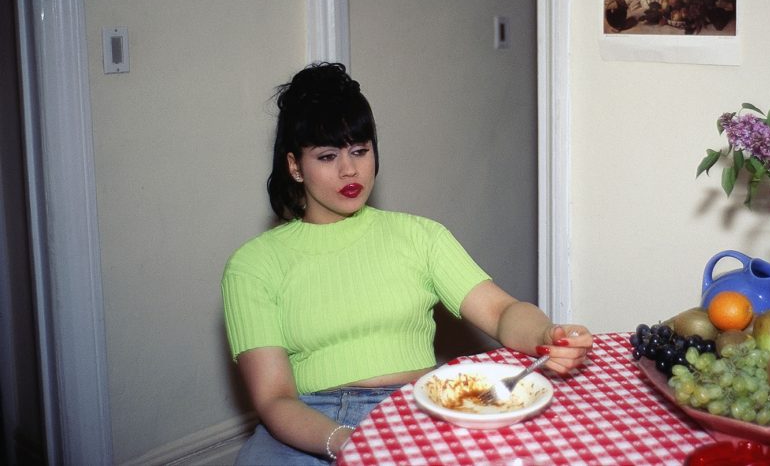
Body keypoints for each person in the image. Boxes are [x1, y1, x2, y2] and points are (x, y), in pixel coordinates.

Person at [221, 63, 593, 464]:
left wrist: (546, 333)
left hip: (414, 408)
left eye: (360, 151)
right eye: (327, 156)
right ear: (295, 166)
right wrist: (350, 442)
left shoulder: (421, 237)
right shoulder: (252, 265)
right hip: (307, 425)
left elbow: (502, 312)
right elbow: (275, 399)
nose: (350, 169)